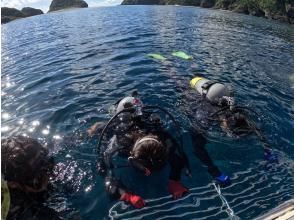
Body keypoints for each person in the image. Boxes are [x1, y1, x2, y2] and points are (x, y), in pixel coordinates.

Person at [89, 92, 190, 209]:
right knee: (97, 128)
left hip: (144, 124)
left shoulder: (163, 137)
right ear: (131, 156)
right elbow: (105, 171)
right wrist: (126, 195)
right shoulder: (120, 144)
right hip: (121, 124)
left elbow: (178, 158)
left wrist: (174, 180)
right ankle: (115, 111)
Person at [189, 76, 278, 163]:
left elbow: (256, 130)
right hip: (199, 88)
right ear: (225, 122)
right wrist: (214, 172)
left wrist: (268, 150)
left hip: (218, 89)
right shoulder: (205, 116)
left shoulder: (237, 113)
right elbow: (197, 147)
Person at [1, 135, 60, 220]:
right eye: (38, 177)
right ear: (13, 184)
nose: (47, 176)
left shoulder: (36, 154)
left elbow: (59, 143)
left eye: (47, 163)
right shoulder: (15, 211)